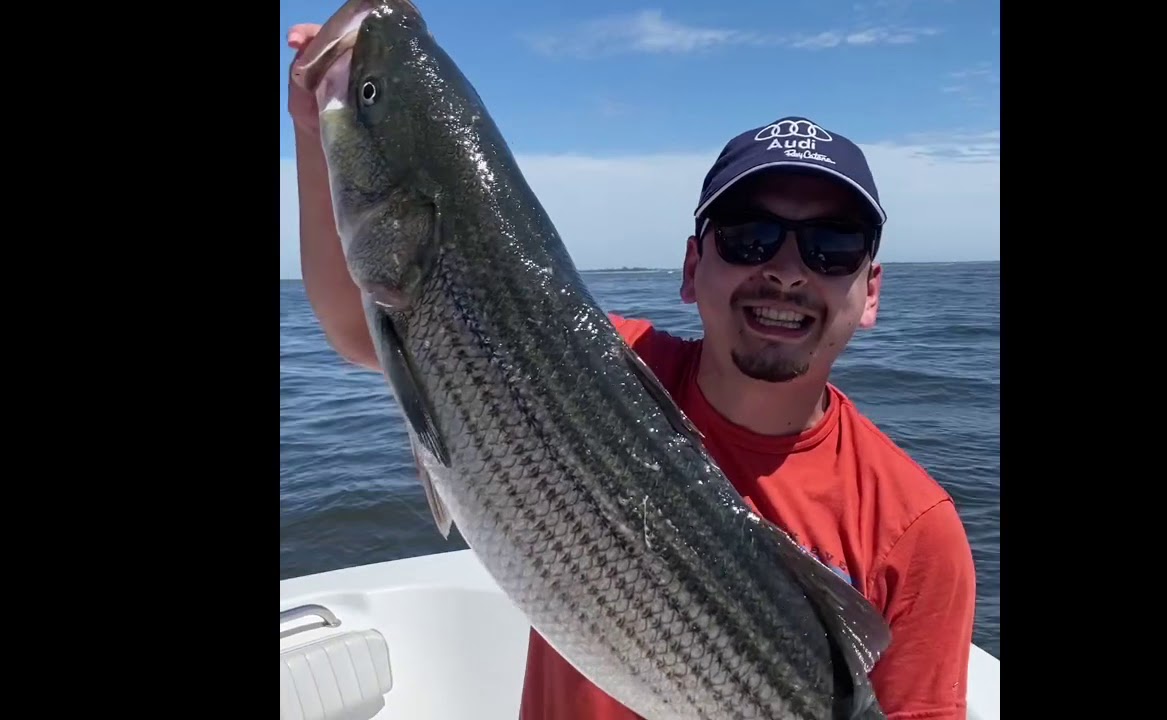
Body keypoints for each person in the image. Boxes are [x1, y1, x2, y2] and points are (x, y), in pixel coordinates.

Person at [287, 23, 977, 720]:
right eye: (749, 236)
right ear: (689, 267)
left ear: (873, 290)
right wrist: (322, 134)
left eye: (832, 246)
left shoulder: (914, 529)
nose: (785, 271)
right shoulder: (589, 362)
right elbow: (358, 329)